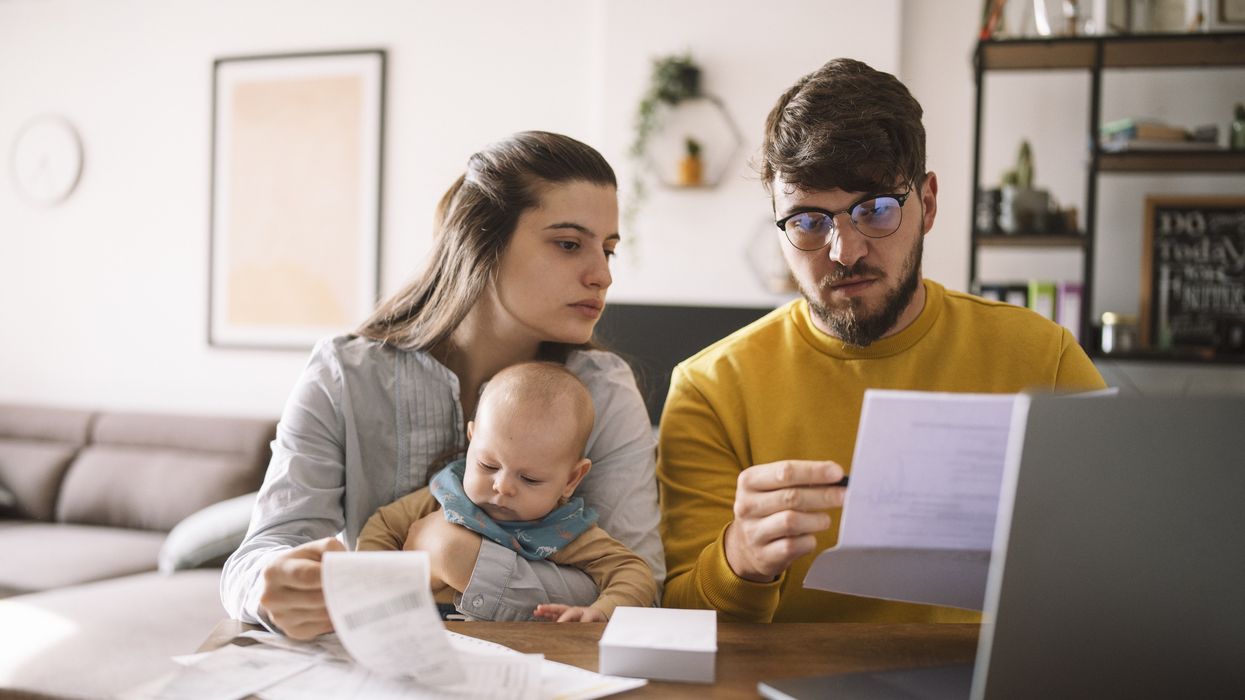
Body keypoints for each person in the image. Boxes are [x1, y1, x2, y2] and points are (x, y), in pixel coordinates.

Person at [656, 58, 1106, 623]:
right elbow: (676, 622)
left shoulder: (1045, 358)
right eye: (808, 221)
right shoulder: (709, 389)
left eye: (875, 209)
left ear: (930, 205)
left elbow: (1123, 563)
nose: (845, 252)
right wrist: (739, 560)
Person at [221, 131, 663, 640]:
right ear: (481, 244)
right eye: (568, 244)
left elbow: (642, 586)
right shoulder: (344, 375)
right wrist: (271, 587)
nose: (602, 275)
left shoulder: (603, 391)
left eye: (608, 249)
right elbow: (254, 560)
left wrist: (457, 557)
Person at [357, 361, 656, 622]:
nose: (502, 486)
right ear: (472, 440)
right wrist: (373, 589)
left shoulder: (564, 530)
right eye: (488, 465)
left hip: (517, 648)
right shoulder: (446, 495)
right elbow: (382, 526)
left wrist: (603, 610)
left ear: (571, 479)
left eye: (529, 479)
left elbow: (634, 573)